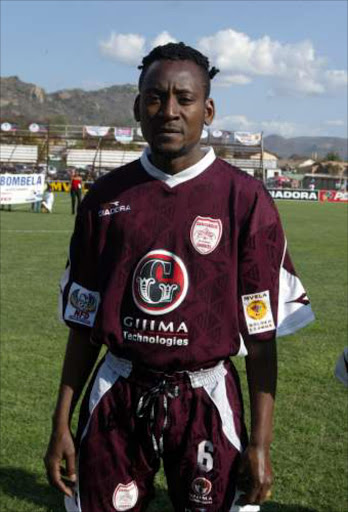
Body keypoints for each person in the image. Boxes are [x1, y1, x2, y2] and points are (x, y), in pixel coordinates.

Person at [44, 43, 315, 512]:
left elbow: (263, 337)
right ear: (137, 107)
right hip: (118, 391)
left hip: (206, 397)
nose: (168, 110)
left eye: (184, 99)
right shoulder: (104, 199)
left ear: (207, 110)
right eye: (154, 96)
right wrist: (61, 422)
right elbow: (84, 325)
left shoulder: (245, 200)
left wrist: (261, 444)